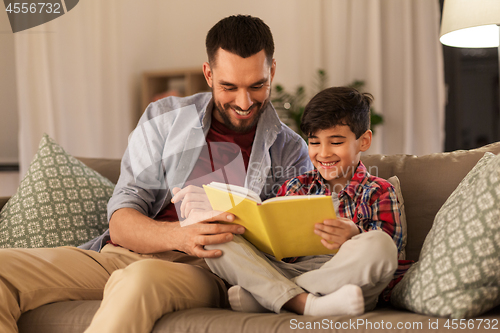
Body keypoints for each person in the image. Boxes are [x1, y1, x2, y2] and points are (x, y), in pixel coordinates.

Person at [0, 15, 312, 333]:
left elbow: (291, 250)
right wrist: (182, 234)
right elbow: (121, 223)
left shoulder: (291, 151)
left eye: (256, 86)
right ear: (208, 74)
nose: (244, 102)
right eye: (229, 87)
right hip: (122, 254)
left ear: (271, 72)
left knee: (140, 279)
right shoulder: (164, 119)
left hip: (208, 270)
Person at [205, 87, 403, 316]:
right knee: (214, 239)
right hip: (287, 269)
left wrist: (355, 234)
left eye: (336, 142)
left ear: (364, 141)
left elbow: (390, 257)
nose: (324, 153)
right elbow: (274, 249)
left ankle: (272, 297)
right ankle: (306, 303)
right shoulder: (294, 187)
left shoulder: (379, 191)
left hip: (345, 274)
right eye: (315, 143)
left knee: (380, 244)